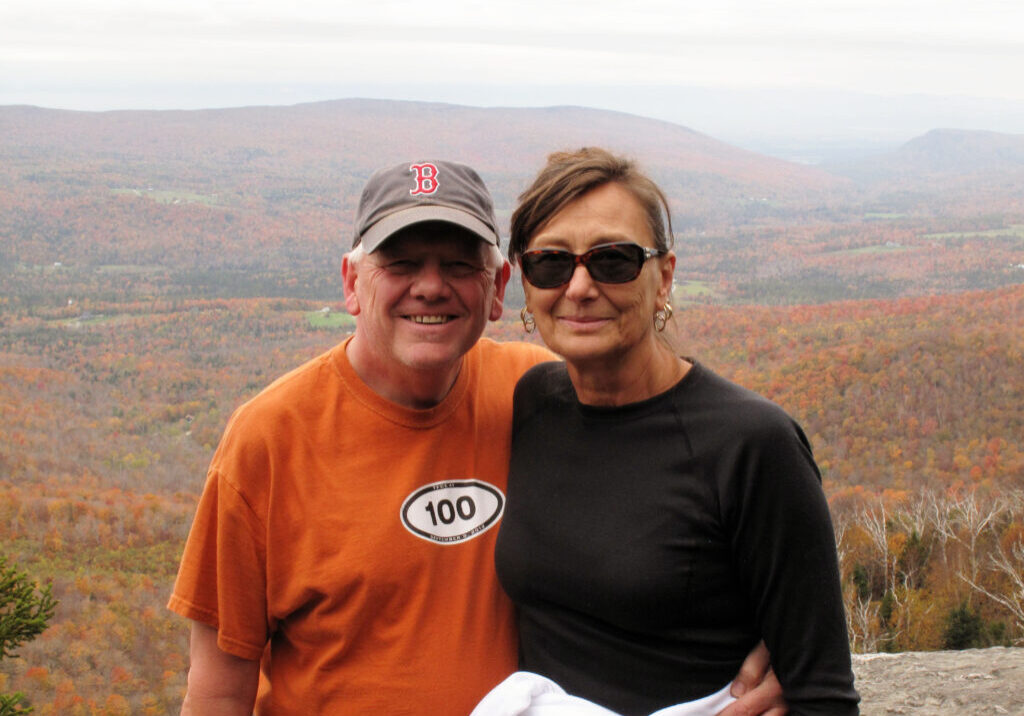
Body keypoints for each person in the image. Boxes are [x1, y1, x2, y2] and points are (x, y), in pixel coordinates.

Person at [167, 158, 788, 715]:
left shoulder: (542, 396)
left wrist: (781, 646)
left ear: (496, 290)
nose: (431, 286)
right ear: (353, 284)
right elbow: (220, 689)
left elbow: (695, 487)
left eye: (459, 264)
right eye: (402, 263)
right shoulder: (269, 439)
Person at [494, 148, 860, 716]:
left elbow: (823, 694)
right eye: (551, 263)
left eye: (614, 260)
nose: (580, 286)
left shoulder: (751, 445)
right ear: (526, 281)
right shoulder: (532, 403)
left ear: (663, 276)